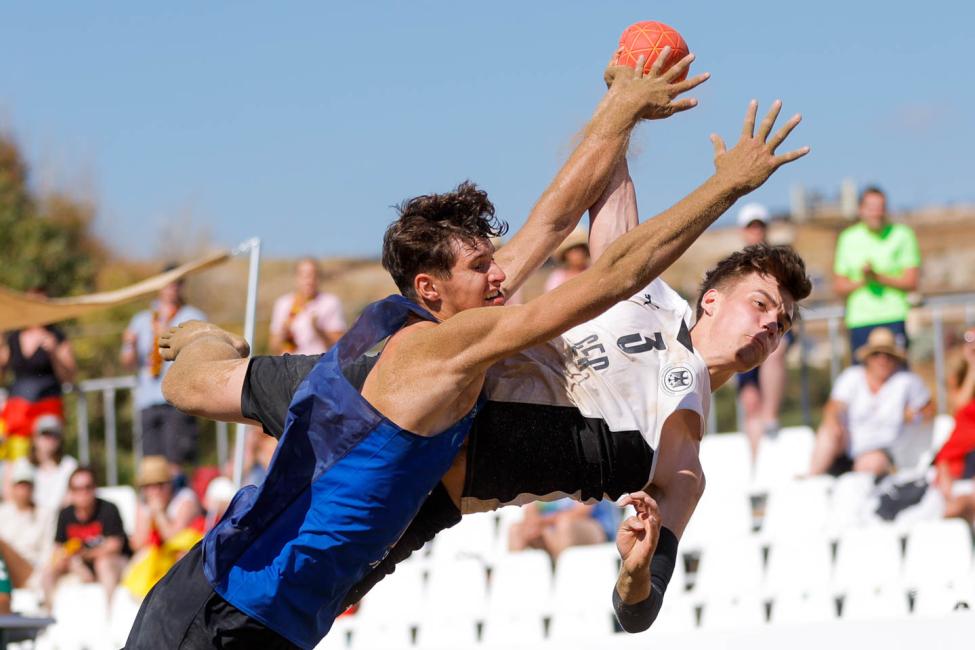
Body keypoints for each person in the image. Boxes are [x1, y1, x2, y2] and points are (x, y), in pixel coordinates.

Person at [127, 74, 810, 647]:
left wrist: (622, 98)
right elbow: (613, 269)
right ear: (711, 298)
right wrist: (721, 183)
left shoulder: (462, 320)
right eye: (761, 303)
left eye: (782, 323)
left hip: (363, 531)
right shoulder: (459, 340)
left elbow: (550, 218)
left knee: (210, 391)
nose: (771, 324)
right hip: (230, 600)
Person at [809, 327, 933, 477]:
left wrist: (913, 416)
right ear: (868, 358)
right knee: (827, 432)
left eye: (888, 355)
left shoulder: (907, 381)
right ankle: (811, 478)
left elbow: (928, 409)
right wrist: (833, 422)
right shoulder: (852, 376)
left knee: (870, 463)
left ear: (895, 358)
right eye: (876, 354)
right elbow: (834, 406)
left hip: (884, 451)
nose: (882, 359)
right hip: (848, 446)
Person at [121, 269, 206, 478]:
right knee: (151, 465)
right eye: (166, 283)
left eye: (175, 283)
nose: (171, 289)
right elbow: (127, 363)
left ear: (181, 286)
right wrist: (130, 345)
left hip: (178, 398)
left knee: (175, 462)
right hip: (148, 399)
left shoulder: (192, 318)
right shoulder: (141, 320)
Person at [833, 186, 921, 357]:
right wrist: (865, 280)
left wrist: (878, 277)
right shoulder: (847, 238)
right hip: (859, 320)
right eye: (871, 208)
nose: (877, 213)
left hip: (894, 316)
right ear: (861, 210)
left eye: (881, 207)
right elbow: (839, 286)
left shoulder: (903, 235)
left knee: (898, 376)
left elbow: (912, 282)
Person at [734, 202, 789, 457]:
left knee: (775, 352)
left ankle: (771, 419)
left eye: (759, 227)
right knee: (749, 401)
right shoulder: (733, 268)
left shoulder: (780, 264)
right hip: (743, 335)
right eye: (751, 227)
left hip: (771, 330)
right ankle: (756, 463)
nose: (756, 232)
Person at [0, 291, 76, 462]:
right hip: (18, 408)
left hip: (47, 405)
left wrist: (54, 352)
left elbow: (69, 377)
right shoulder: (13, 337)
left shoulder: (57, 336)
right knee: (17, 460)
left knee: (47, 458)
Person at [42, 467, 130, 610]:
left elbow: (115, 545)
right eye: (77, 488)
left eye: (87, 487)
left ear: (95, 488)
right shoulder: (65, 514)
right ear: (71, 492)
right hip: (79, 564)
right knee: (49, 570)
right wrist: (67, 560)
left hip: (114, 563)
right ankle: (48, 614)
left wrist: (85, 555)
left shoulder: (108, 509)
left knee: (103, 564)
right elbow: (58, 547)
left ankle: (109, 615)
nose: (83, 492)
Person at [933, 327, 975, 521]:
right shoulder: (957, 376)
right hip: (961, 445)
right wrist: (973, 366)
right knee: (944, 464)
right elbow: (960, 403)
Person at [270, 258, 347, 355]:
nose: (309, 280)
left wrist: (317, 329)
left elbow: (341, 345)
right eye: (304, 275)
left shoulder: (331, 302)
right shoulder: (283, 304)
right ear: (296, 277)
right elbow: (273, 346)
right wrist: (283, 335)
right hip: (289, 365)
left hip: (319, 364)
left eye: (313, 275)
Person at [0, 460, 54, 590]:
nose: (23, 490)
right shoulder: (3, 512)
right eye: (20, 485)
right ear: (13, 488)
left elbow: (48, 551)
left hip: (31, 572)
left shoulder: (45, 514)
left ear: (33, 487)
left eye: (27, 485)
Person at [508, 499, 617, 560]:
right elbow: (531, 509)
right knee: (516, 530)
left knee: (564, 524)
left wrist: (543, 524)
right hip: (553, 527)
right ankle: (513, 580)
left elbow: (581, 512)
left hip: (597, 528)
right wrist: (535, 525)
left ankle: (561, 577)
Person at [25, 415, 78, 513]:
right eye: (45, 434)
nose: (50, 439)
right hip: (29, 521)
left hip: (61, 519)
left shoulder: (70, 465)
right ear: (35, 437)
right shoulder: (24, 465)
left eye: (55, 434)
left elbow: (74, 497)